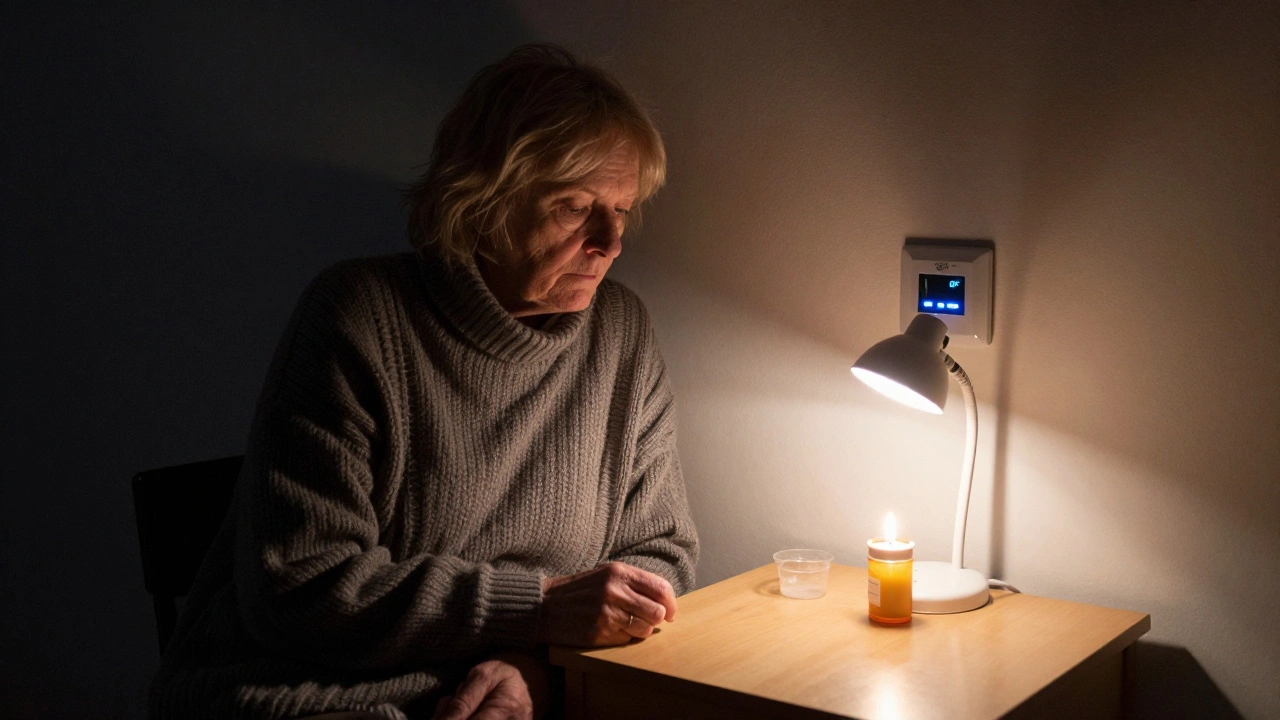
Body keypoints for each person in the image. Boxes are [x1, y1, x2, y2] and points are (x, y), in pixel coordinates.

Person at [149, 44, 698, 720]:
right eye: (573, 206)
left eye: (622, 206)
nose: (610, 241)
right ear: (484, 201)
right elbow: (299, 587)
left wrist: (532, 668)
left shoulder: (622, 332)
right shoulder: (359, 314)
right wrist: (543, 610)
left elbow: (659, 555)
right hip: (304, 694)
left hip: (502, 692)